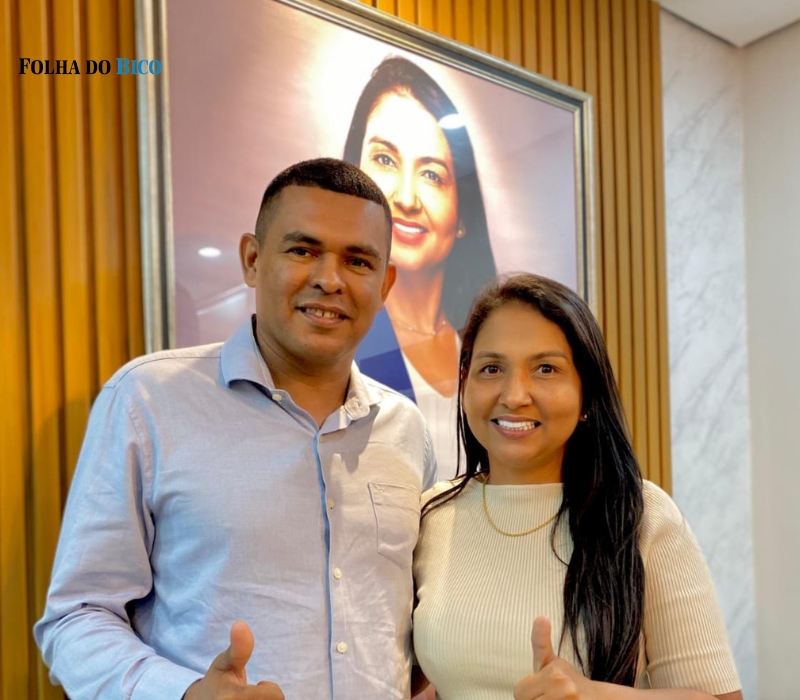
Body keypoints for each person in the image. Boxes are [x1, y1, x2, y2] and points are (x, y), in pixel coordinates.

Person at [34, 158, 437, 700]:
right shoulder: (148, 401)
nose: (329, 279)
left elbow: (421, 622)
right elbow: (76, 616)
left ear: (385, 283)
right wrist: (182, 693)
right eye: (303, 250)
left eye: (358, 261)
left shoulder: (406, 428)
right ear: (252, 259)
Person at [412, 273, 742, 700]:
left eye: (545, 369)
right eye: (491, 368)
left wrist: (596, 695)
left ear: (587, 395)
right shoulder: (431, 515)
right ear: (464, 382)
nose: (514, 395)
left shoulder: (638, 515)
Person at [344, 56, 497, 477]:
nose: (407, 198)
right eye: (385, 161)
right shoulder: (334, 344)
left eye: (432, 175)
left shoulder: (488, 339)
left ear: (462, 214)